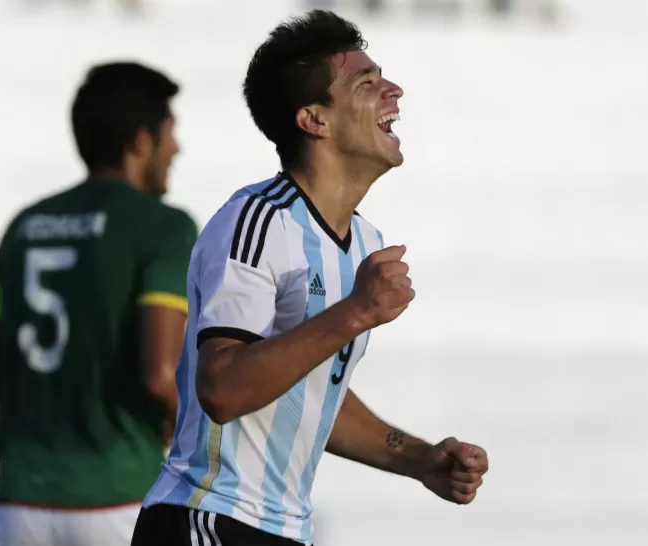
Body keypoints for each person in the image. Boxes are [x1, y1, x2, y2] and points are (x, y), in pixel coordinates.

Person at [132, 10, 489, 546]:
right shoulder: (256, 220)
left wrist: (419, 459)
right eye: (367, 83)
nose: (394, 91)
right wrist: (357, 311)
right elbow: (223, 388)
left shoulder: (364, 242)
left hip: (282, 529)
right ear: (314, 120)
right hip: (209, 518)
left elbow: (309, 395)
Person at [0, 61, 196, 546]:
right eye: (170, 133)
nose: (178, 149)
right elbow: (159, 372)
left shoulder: (25, 226)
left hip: (18, 504)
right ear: (140, 141)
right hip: (117, 497)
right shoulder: (164, 227)